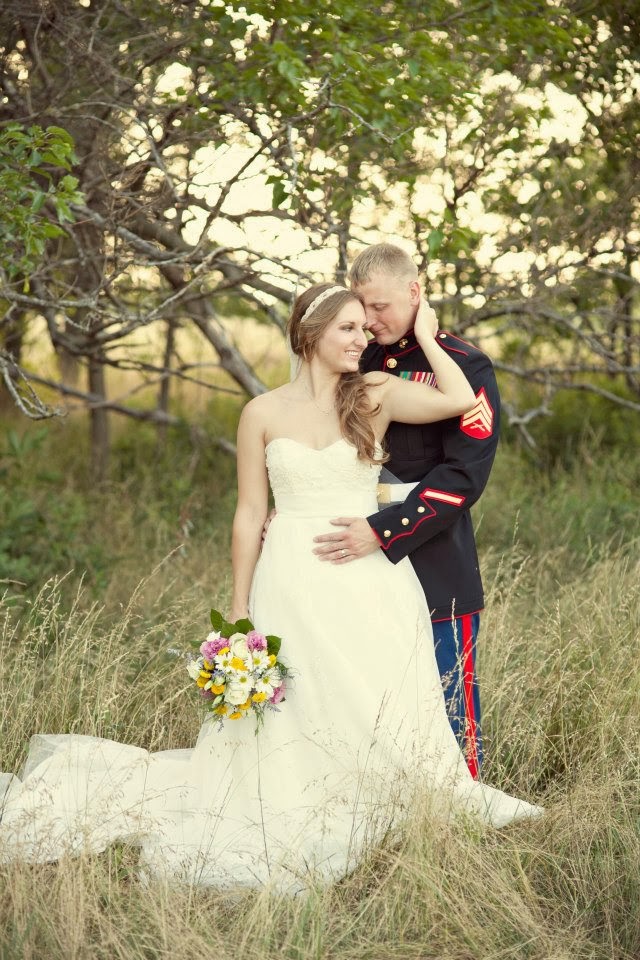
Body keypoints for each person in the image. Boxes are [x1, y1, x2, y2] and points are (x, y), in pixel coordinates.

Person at [0, 284, 541, 892]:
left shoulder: (374, 393)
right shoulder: (260, 412)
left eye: (364, 327)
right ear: (310, 335)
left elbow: (460, 399)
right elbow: (249, 513)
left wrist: (425, 334)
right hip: (288, 578)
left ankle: (384, 790)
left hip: (368, 574)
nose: (363, 338)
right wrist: (239, 608)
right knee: (299, 700)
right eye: (348, 328)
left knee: (375, 694)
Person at [313, 244, 499, 778]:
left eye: (380, 307)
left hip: (433, 553)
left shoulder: (464, 365)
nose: (370, 322)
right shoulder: (358, 359)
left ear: (415, 292)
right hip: (354, 551)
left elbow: (463, 476)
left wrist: (384, 530)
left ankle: (465, 797)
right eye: (362, 309)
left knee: (449, 690)